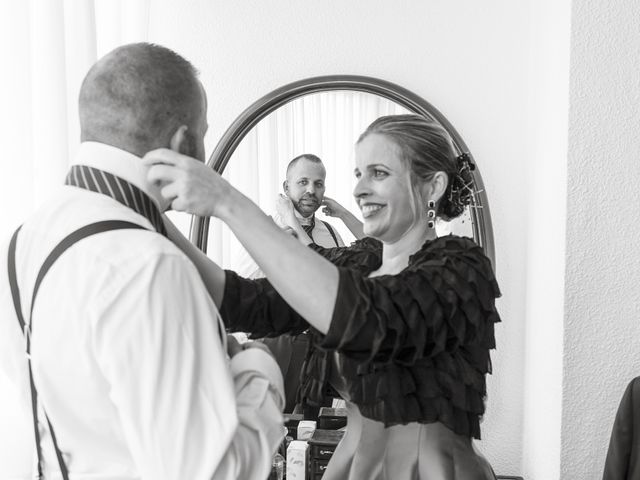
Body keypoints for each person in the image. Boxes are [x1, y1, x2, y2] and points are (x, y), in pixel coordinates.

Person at [145, 114, 501, 479]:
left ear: (433, 186)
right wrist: (147, 213)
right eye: (358, 175)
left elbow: (365, 319)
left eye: (378, 173)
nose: (360, 190)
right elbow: (244, 300)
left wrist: (227, 201)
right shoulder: (357, 262)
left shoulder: (461, 269)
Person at [0, 43, 285, 480]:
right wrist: (259, 370)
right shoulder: (150, 265)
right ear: (184, 141)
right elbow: (213, 474)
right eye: (203, 134)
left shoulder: (27, 237)